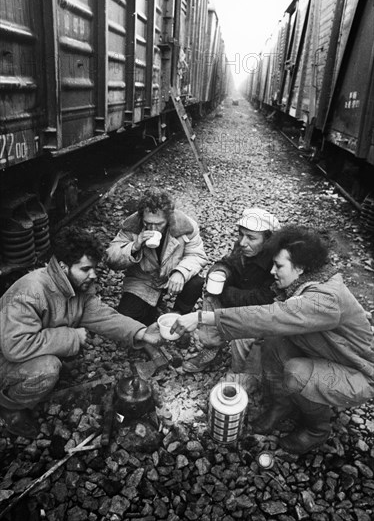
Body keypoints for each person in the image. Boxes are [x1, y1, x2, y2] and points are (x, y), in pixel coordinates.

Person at [172, 226, 374, 454]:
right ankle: (282, 405)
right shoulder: (306, 283)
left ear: (300, 268)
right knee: (273, 340)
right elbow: (270, 321)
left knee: (297, 372)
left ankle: (317, 428)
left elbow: (271, 316)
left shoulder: (324, 299)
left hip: (358, 373)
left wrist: (204, 317)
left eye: (279, 266)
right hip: (326, 353)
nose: (273, 271)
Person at [0, 227, 161, 439]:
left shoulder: (74, 286)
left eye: (94, 268)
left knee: (61, 358)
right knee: (48, 369)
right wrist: (71, 337)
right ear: (64, 266)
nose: (93, 275)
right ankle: (9, 407)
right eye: (86, 269)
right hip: (5, 355)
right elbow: (15, 346)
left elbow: (103, 316)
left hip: (19, 350)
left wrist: (142, 333)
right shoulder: (30, 292)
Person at [182, 207, 280, 384]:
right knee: (211, 297)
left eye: (251, 237)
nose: (243, 242)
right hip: (237, 299)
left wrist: (226, 292)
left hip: (260, 315)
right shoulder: (243, 247)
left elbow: (262, 299)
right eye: (241, 234)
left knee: (244, 334)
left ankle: (243, 372)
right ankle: (210, 347)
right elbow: (226, 262)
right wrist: (219, 273)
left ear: (267, 240)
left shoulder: (277, 262)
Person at [106, 187, 208, 326]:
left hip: (170, 276)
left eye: (159, 224)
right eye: (148, 223)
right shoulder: (132, 225)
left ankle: (179, 315)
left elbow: (196, 255)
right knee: (127, 320)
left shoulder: (186, 226)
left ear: (168, 218)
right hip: (143, 280)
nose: (153, 229)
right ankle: (152, 304)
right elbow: (111, 259)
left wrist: (181, 272)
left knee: (196, 283)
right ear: (141, 217)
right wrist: (134, 246)